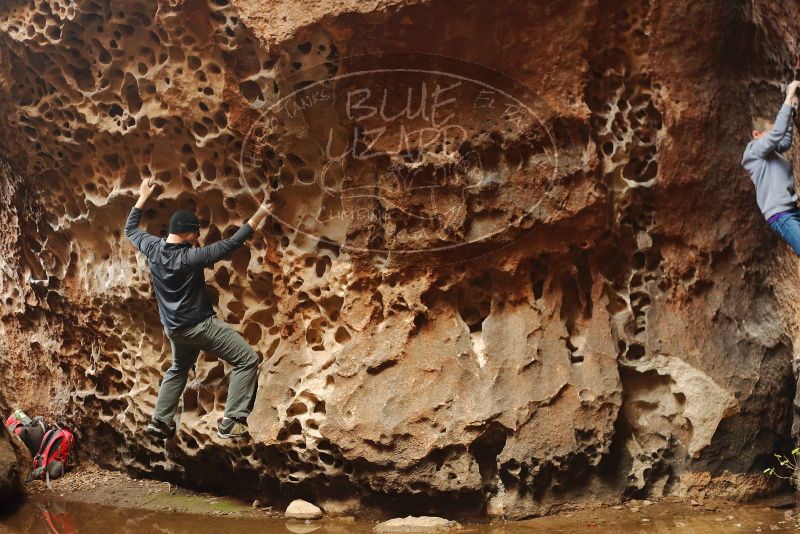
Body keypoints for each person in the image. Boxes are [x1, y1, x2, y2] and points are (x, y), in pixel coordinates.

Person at [124, 178, 271, 440]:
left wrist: (142, 196)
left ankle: (159, 421)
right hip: (199, 326)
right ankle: (232, 420)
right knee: (247, 359)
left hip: (174, 329)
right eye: (197, 233)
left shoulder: (152, 248)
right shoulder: (189, 258)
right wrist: (260, 213)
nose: (198, 237)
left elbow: (130, 230)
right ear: (189, 234)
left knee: (179, 368)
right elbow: (230, 244)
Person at [743, 80, 800, 254]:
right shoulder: (753, 151)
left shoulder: (772, 152)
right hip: (781, 216)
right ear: (756, 135)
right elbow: (777, 135)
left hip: (792, 210)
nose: (774, 136)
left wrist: (790, 109)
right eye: (770, 132)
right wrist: (788, 97)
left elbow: (785, 140)